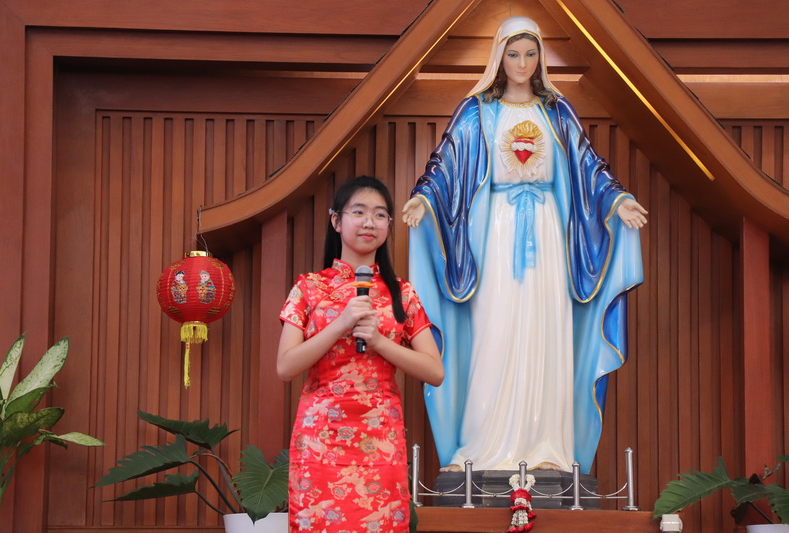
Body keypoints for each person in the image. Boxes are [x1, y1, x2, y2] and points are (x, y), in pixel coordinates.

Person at [402, 16, 646, 474]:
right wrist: (425, 197)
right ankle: (478, 447)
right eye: (513, 54)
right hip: (495, 232)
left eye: (531, 54)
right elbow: (446, 161)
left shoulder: (557, 111)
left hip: (549, 232)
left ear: (540, 59)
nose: (522, 63)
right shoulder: (477, 110)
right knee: (494, 331)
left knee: (546, 329)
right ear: (499, 57)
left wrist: (617, 199)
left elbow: (589, 165)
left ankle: (547, 447)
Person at [277, 176, 444, 532]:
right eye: (359, 212)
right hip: (320, 438)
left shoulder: (403, 293)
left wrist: (381, 343)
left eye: (380, 215)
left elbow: (435, 371)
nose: (370, 222)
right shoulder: (308, 287)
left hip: (379, 438)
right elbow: (285, 367)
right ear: (336, 221)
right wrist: (340, 324)